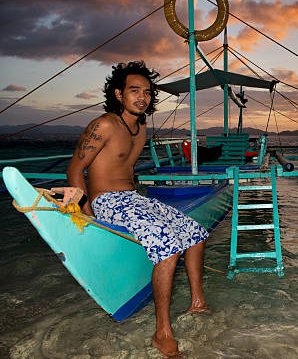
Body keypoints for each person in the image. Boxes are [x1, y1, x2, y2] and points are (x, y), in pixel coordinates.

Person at [67, 61, 209, 358]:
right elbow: (75, 169)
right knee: (169, 248)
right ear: (119, 94)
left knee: (196, 233)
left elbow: (127, 169)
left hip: (133, 198)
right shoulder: (104, 124)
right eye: (135, 91)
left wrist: (139, 201)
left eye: (146, 92)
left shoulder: (141, 126)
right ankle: (162, 332)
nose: (142, 97)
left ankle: (197, 302)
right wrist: (86, 211)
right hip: (107, 201)